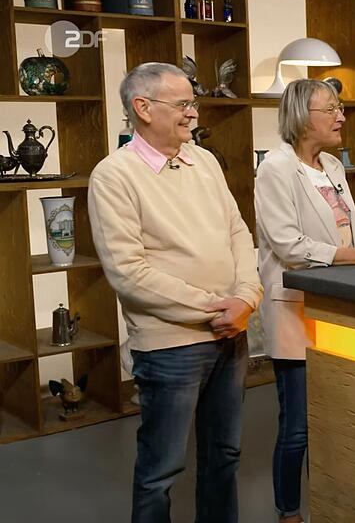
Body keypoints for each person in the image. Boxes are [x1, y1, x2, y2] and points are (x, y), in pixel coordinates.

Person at [87, 62, 262, 522]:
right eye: (183, 104)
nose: (194, 113)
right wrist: (216, 307)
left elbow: (238, 232)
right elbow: (128, 272)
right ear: (143, 108)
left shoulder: (204, 161)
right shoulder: (113, 176)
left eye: (193, 103)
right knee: (160, 472)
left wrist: (246, 298)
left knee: (224, 456)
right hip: (171, 347)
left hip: (231, 333)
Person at [254, 79, 355, 523]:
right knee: (298, 426)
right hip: (295, 308)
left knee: (337, 419)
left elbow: (349, 226)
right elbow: (288, 245)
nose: (341, 116)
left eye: (340, 108)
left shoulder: (332, 165)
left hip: (337, 305)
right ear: (303, 117)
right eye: (332, 109)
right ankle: (288, 512)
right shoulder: (275, 169)